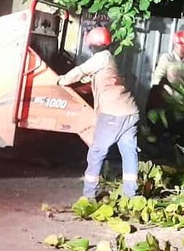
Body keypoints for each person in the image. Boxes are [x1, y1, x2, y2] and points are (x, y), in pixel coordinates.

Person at [58, 26, 139, 199]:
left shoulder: (100, 58)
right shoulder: (110, 58)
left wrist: (61, 81)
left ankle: (89, 195)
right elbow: (98, 77)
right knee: (128, 153)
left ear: (92, 46)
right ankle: (130, 195)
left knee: (96, 153)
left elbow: (79, 71)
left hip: (113, 114)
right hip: (130, 112)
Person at [144, 31, 184, 153]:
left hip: (177, 105)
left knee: (180, 131)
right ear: (178, 46)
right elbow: (157, 80)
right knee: (157, 131)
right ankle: (152, 155)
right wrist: (170, 92)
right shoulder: (167, 58)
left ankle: (174, 155)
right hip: (159, 101)